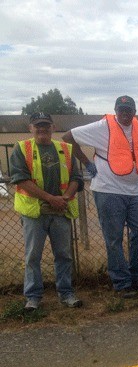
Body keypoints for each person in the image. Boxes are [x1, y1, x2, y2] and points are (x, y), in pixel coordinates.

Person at [62, 95, 138, 298]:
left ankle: (135, 276)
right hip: (107, 190)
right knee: (114, 239)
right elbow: (67, 137)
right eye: (121, 110)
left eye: (129, 110)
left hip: (133, 191)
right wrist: (87, 163)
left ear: (134, 111)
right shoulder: (102, 126)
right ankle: (121, 283)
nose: (125, 114)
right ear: (115, 110)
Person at [10, 113, 84, 310]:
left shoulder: (66, 149)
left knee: (64, 255)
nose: (42, 129)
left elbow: (76, 178)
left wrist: (65, 197)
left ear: (53, 127)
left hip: (60, 212)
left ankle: (66, 293)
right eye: (38, 125)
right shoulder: (21, 148)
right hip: (35, 213)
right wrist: (51, 199)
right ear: (31, 128)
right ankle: (33, 297)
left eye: (46, 125)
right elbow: (21, 180)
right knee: (33, 256)